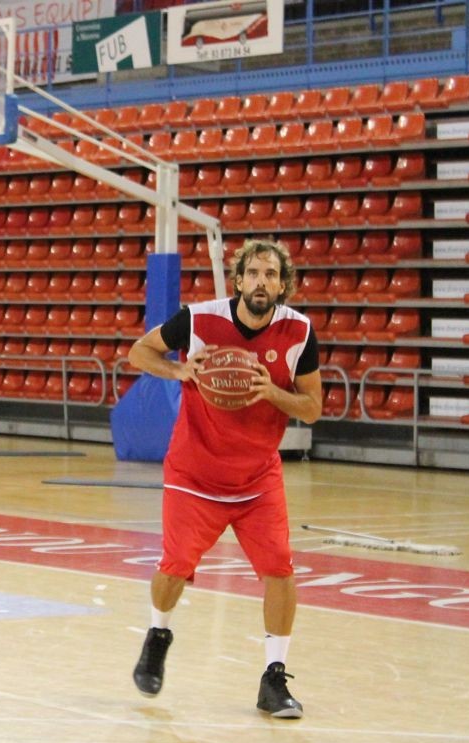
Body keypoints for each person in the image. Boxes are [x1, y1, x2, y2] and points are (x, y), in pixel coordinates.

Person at [126, 238, 322, 718]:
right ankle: (158, 635)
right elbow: (138, 353)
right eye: (253, 273)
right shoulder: (198, 319)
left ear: (283, 284)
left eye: (271, 275)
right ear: (239, 280)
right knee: (174, 567)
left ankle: (273, 679)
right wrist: (179, 370)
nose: (261, 282)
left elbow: (313, 408)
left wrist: (271, 392)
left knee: (280, 571)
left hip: (257, 477)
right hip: (195, 472)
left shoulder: (299, 331)